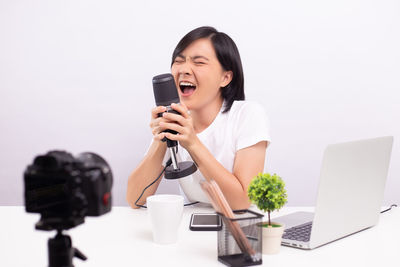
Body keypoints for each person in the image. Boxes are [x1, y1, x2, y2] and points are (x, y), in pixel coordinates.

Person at [126, 26, 270, 210]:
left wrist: (192, 143)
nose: (184, 69)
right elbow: (135, 199)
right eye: (178, 61)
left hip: (241, 229)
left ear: (225, 77)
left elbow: (241, 202)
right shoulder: (177, 120)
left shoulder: (248, 115)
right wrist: (162, 137)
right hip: (189, 229)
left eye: (199, 62)